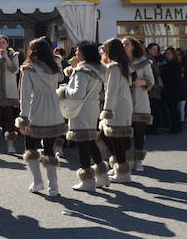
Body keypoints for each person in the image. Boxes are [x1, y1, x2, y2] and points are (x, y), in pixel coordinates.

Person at [16, 37, 66, 196]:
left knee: (31, 147)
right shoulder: (55, 66)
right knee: (50, 149)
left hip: (35, 108)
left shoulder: (29, 69)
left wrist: (23, 117)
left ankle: (38, 181)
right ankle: (54, 186)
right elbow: (61, 79)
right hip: (53, 108)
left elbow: (24, 95)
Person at [60, 41, 108, 191]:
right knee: (90, 142)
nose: (75, 54)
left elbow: (78, 93)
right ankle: (102, 176)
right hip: (92, 108)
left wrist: (62, 92)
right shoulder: (98, 69)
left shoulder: (82, 70)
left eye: (78, 51)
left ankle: (87, 181)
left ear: (84, 53)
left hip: (81, 110)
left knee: (82, 144)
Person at [99, 38, 133, 184]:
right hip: (124, 103)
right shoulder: (123, 65)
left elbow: (110, 91)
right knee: (111, 137)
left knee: (113, 137)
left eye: (105, 49)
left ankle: (123, 172)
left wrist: (107, 109)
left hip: (116, 105)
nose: (103, 52)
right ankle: (120, 167)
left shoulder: (113, 67)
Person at [122, 37, 154, 173]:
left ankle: (138, 160)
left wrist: (144, 82)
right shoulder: (119, 62)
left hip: (140, 99)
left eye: (127, 44)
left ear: (133, 46)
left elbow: (151, 80)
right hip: (123, 99)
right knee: (125, 132)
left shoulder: (143, 62)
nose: (124, 46)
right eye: (122, 44)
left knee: (139, 131)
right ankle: (128, 160)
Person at [159, 47, 185, 134]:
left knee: (174, 109)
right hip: (170, 90)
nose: (167, 55)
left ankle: (176, 127)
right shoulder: (169, 64)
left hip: (173, 90)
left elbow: (174, 78)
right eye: (166, 53)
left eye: (169, 53)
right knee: (173, 109)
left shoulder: (174, 64)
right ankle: (176, 126)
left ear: (173, 54)